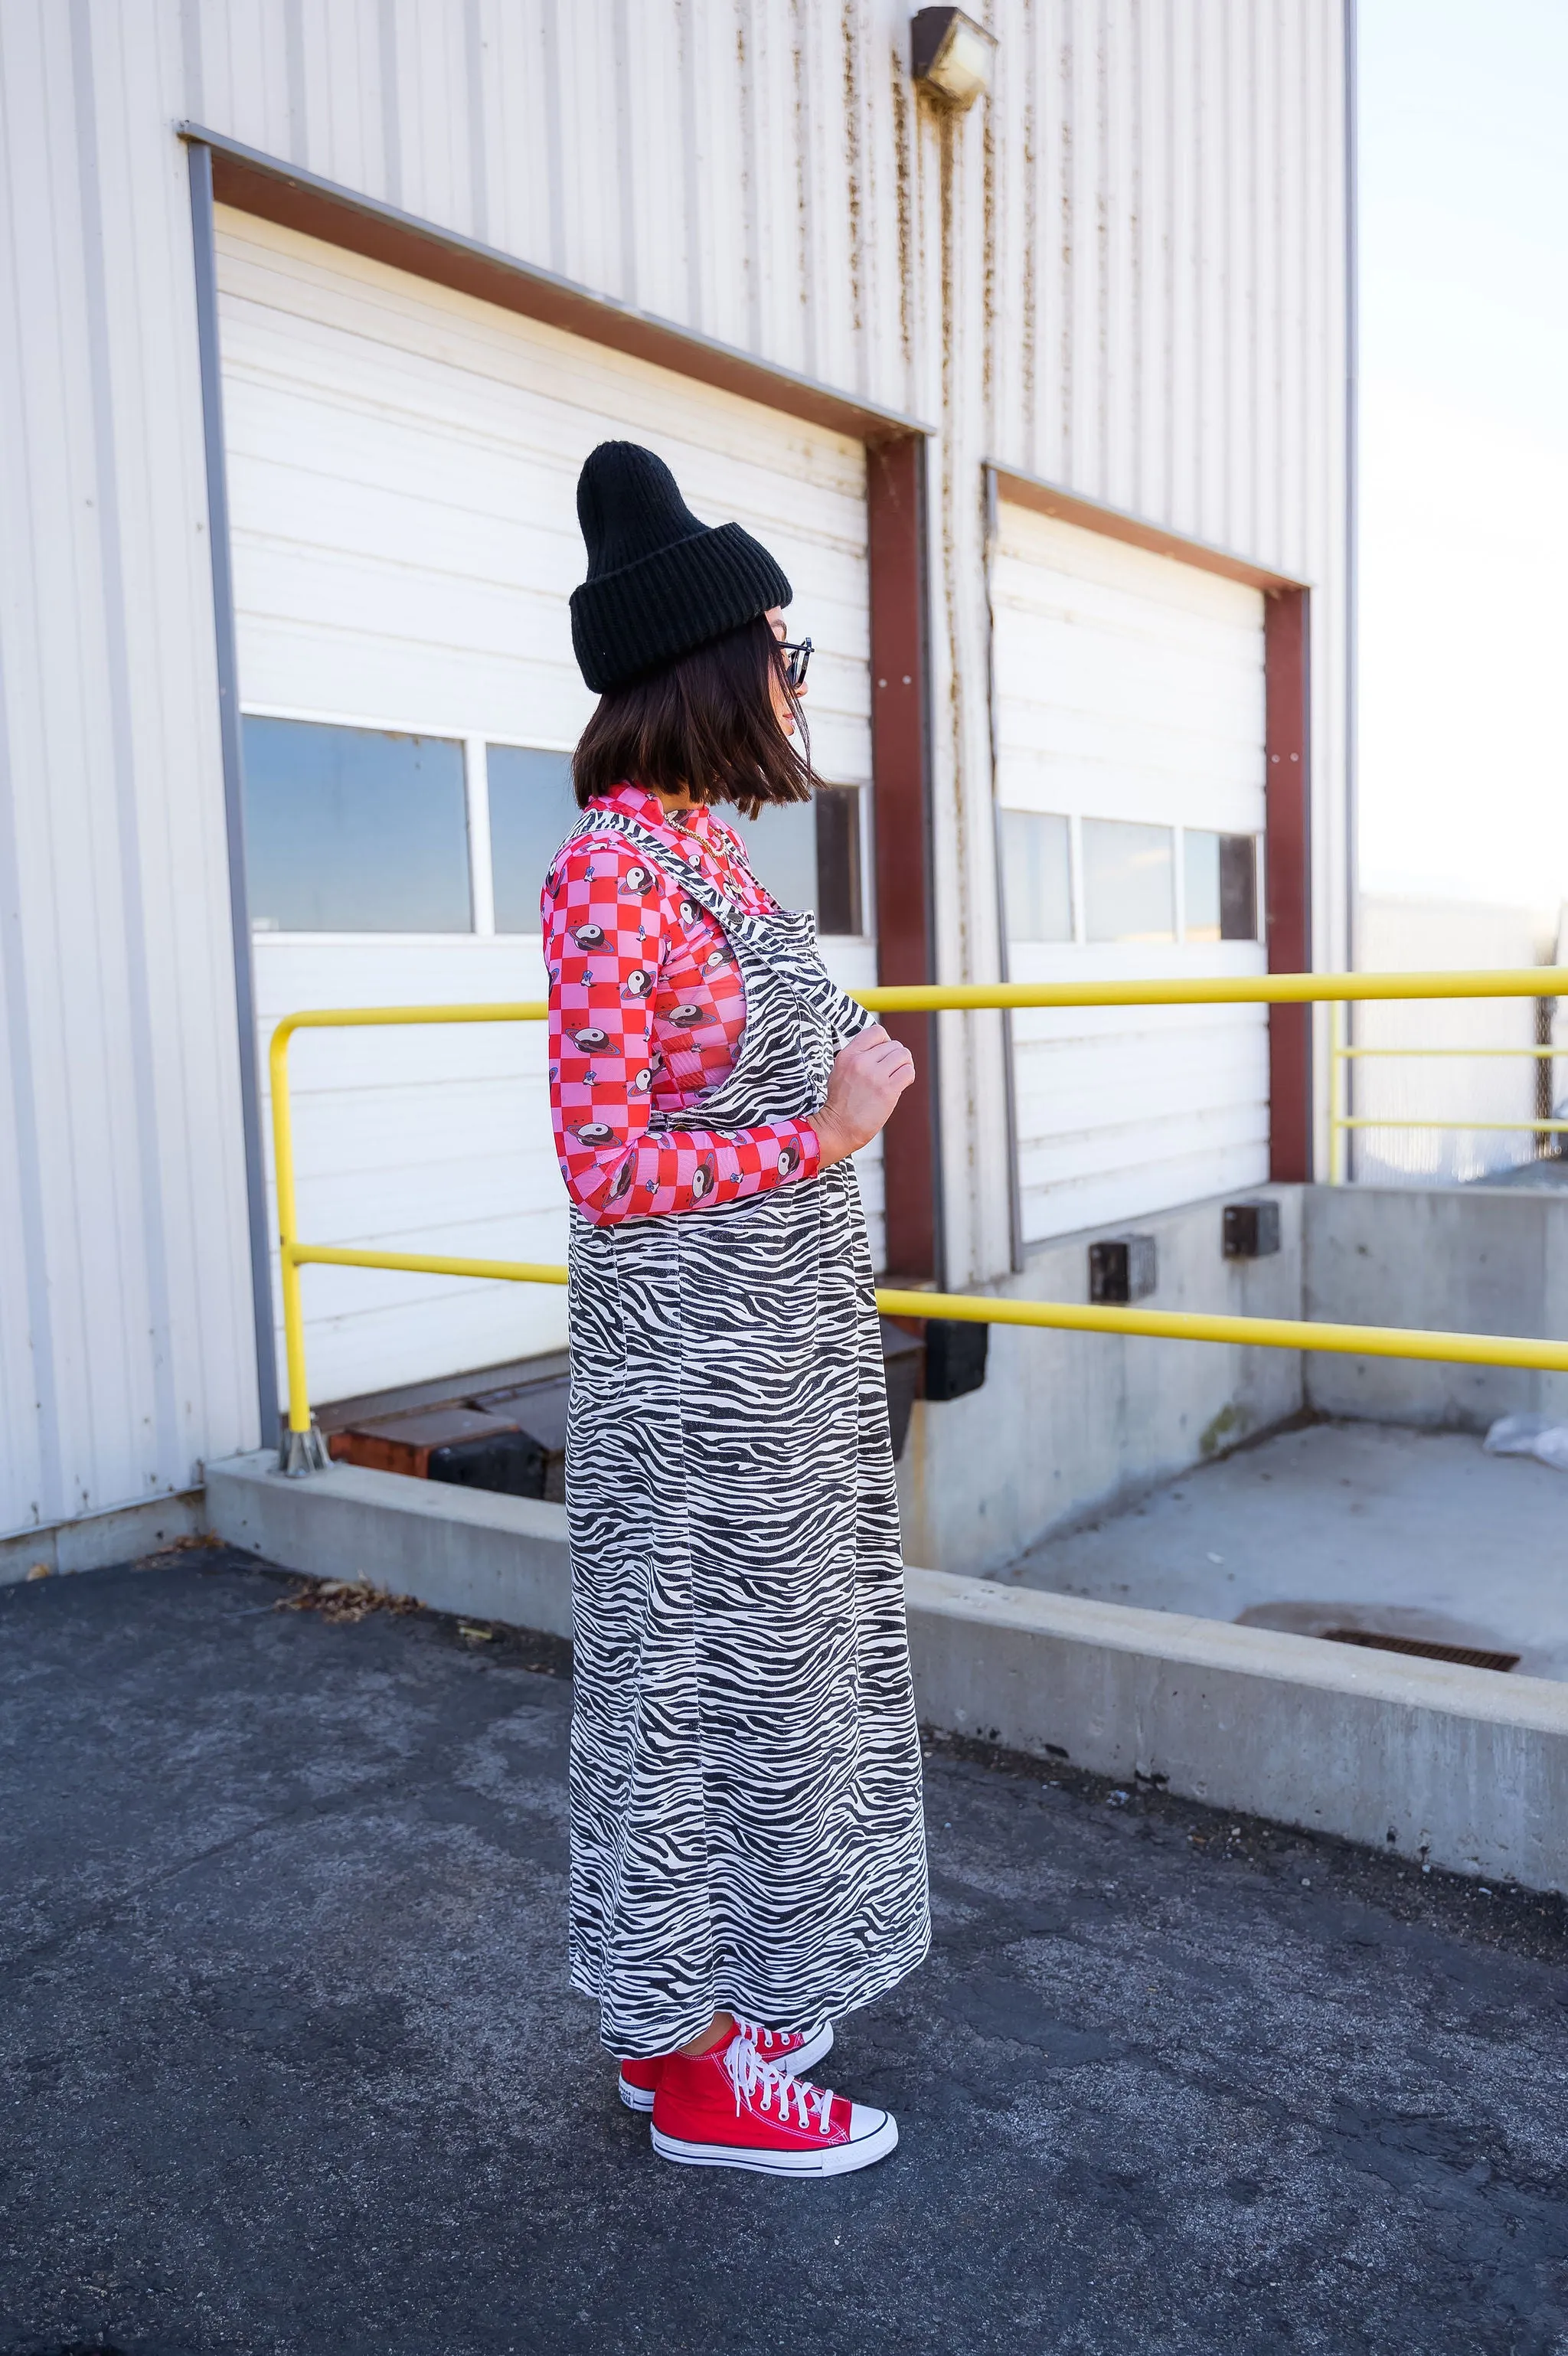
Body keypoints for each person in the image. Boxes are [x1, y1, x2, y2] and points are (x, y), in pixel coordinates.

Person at [542, 441, 929, 2178]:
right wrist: (826, 1129)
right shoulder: (610, 875)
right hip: (693, 1382)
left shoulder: (706, 855)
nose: (796, 681)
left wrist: (821, 1115)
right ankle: (689, 2065)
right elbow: (604, 1164)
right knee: (684, 1701)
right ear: (705, 665)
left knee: (775, 1690)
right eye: (784, 651)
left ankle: (709, 2000)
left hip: (777, 1369)